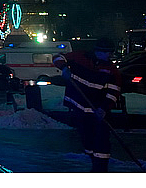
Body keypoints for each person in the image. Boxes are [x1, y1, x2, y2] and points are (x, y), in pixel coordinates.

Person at [52, 38, 123, 172]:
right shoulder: (80, 57)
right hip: (79, 108)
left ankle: (100, 169)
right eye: (106, 52)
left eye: (110, 53)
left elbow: (113, 92)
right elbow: (57, 57)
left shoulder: (111, 71)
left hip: (98, 112)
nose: (108, 55)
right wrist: (64, 68)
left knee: (102, 143)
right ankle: (94, 164)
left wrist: (104, 108)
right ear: (97, 51)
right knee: (87, 141)